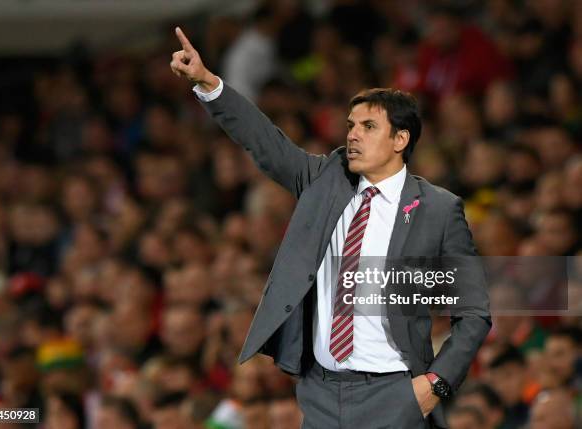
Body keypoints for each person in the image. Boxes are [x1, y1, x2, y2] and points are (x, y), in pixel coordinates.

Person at [170, 26, 491, 429]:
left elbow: (474, 312)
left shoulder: (439, 209)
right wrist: (208, 83)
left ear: (400, 139)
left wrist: (436, 385)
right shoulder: (325, 179)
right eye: (351, 125)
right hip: (320, 393)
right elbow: (266, 143)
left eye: (368, 127)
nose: (353, 134)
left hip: (395, 392)